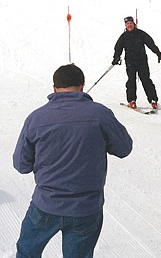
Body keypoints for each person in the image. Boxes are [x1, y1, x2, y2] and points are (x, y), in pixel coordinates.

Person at [13, 64, 133, 258]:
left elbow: (21, 165)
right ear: (82, 85)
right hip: (86, 208)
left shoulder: (36, 119)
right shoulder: (100, 114)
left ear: (54, 88)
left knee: (27, 252)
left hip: (46, 205)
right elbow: (124, 148)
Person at [112, 16, 161, 109]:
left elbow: (151, 44)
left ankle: (153, 100)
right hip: (130, 62)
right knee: (131, 81)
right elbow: (118, 48)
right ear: (125, 25)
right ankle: (131, 100)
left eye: (131, 23)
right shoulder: (124, 36)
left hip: (142, 62)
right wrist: (116, 58)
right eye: (127, 24)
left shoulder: (141, 34)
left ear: (134, 24)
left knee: (146, 80)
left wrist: (158, 54)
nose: (129, 25)